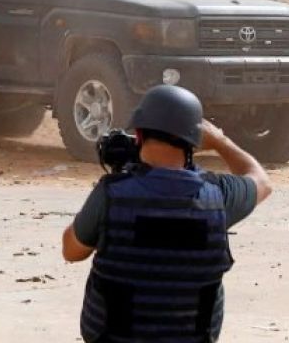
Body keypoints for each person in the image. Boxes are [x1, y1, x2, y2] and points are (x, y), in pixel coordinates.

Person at [62, 85, 272, 342]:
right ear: (194, 143)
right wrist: (220, 141)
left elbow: (71, 251)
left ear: (139, 134)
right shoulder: (218, 197)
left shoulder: (111, 195)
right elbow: (262, 181)